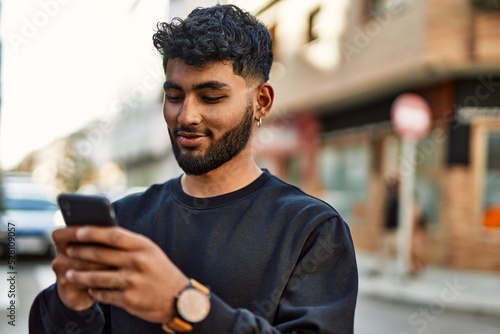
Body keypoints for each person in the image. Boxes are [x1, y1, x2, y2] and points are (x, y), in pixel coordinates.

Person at [29, 4, 358, 333]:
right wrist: (70, 303)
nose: (186, 116)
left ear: (261, 102)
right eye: (174, 96)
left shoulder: (312, 231)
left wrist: (184, 304)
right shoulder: (124, 220)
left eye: (211, 97)